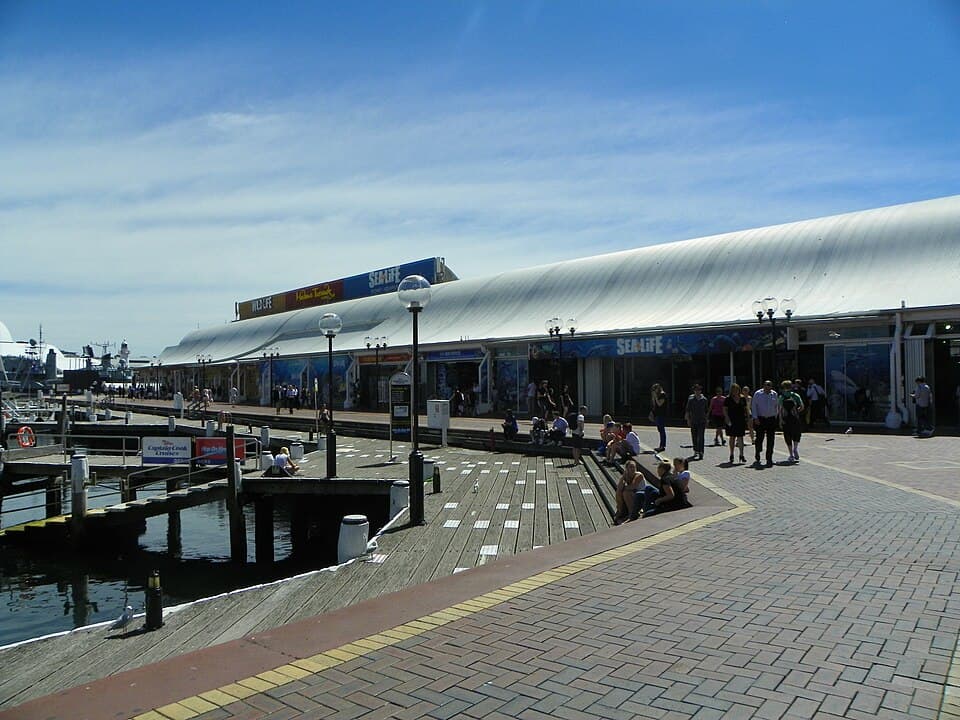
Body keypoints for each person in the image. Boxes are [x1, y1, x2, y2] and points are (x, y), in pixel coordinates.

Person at [752, 380, 779, 467]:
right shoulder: (758, 394)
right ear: (763, 386)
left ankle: (769, 458)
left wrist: (776, 416)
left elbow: (776, 406)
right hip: (760, 419)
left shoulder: (774, 394)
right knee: (759, 438)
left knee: (771, 439)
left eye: (770, 385)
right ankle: (758, 451)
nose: (768, 387)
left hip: (771, 419)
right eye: (767, 385)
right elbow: (754, 406)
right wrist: (755, 417)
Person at [779, 380, 805, 462]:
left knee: (787, 435)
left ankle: (791, 455)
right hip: (795, 418)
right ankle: (795, 448)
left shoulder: (781, 397)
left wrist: (780, 420)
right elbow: (802, 406)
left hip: (786, 418)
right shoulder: (795, 395)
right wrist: (796, 412)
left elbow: (779, 410)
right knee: (797, 433)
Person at [724, 383, 748, 464]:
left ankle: (741, 455)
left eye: (737, 389)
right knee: (732, 437)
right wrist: (727, 418)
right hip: (731, 420)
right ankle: (731, 454)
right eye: (733, 390)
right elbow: (725, 410)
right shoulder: (728, 399)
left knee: (740, 437)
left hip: (740, 420)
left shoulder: (742, 399)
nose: (735, 391)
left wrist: (748, 417)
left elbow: (746, 409)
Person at [613, 459, 643, 524]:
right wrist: (623, 477)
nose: (633, 468)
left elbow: (633, 486)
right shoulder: (627, 476)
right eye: (631, 467)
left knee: (626, 493)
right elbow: (619, 488)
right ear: (627, 469)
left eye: (634, 467)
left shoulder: (639, 475)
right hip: (634, 494)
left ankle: (631, 515)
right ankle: (620, 510)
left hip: (642, 495)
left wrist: (624, 488)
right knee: (619, 492)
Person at [684, 384, 709, 461]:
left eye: (698, 390)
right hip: (693, 420)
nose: (697, 391)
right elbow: (688, 410)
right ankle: (696, 450)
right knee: (694, 436)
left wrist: (707, 420)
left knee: (701, 437)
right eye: (696, 390)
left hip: (702, 420)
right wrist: (688, 419)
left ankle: (701, 452)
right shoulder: (691, 400)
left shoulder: (704, 399)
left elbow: (706, 411)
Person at [650, 383, 668, 452]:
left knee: (662, 430)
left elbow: (659, 404)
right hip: (657, 414)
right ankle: (661, 445)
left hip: (661, 414)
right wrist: (653, 397)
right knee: (659, 429)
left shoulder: (662, 394)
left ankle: (662, 445)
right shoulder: (656, 395)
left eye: (656, 389)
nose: (655, 390)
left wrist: (656, 397)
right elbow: (654, 405)